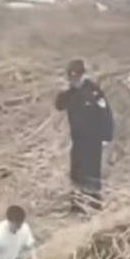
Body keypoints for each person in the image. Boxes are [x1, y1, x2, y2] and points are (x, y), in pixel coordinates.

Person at [55, 59, 114, 212]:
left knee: (91, 172)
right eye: (71, 78)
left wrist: (106, 136)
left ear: (82, 76)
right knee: (76, 172)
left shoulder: (94, 92)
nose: (74, 81)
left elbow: (105, 114)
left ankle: (94, 204)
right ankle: (77, 205)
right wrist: (64, 91)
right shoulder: (70, 94)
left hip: (93, 139)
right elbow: (59, 106)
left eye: (76, 78)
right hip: (78, 140)